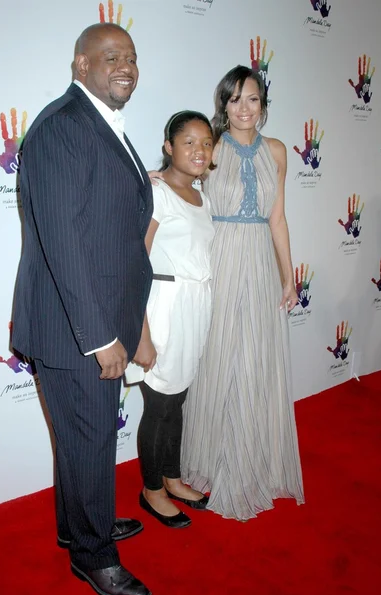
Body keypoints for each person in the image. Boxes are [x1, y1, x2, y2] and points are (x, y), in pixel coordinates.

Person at [12, 23, 153, 595]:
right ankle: (94, 556)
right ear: (80, 64)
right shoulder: (64, 128)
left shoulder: (100, 124)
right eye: (111, 57)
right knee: (91, 440)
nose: (126, 66)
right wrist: (101, 336)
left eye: (132, 58)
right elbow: (65, 243)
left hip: (94, 320)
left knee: (81, 441)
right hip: (75, 332)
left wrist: (127, 324)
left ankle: (80, 527)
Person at [180, 65, 305, 521]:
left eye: (252, 99)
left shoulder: (277, 152)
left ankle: (253, 463)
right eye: (234, 100)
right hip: (221, 261)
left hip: (258, 265)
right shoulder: (208, 150)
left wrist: (288, 276)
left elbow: (277, 219)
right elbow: (181, 181)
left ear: (263, 105)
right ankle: (215, 463)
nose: (244, 108)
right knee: (220, 360)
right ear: (223, 105)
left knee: (254, 361)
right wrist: (155, 179)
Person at [132, 111, 215, 528]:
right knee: (159, 404)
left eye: (205, 143)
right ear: (169, 147)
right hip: (161, 309)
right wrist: (141, 334)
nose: (198, 150)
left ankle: (172, 476)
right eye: (188, 142)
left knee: (177, 401)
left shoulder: (204, 197)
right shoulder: (155, 193)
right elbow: (134, 262)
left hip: (193, 311)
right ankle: (151, 490)